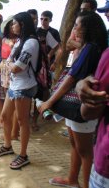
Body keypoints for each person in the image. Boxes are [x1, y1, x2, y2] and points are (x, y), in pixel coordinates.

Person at [38, 11, 108, 188]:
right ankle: (72, 179)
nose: (74, 28)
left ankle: (84, 184)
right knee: (75, 144)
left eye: (78, 25)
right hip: (75, 104)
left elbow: (71, 78)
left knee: (84, 151)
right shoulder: (88, 46)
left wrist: (50, 102)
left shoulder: (91, 47)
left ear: (88, 28)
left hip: (82, 105)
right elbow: (70, 47)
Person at [0, 12, 39, 170]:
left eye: (14, 23)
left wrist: (11, 64)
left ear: (23, 24)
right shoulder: (20, 41)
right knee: (5, 116)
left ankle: (23, 155)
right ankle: (7, 146)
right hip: (14, 86)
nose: (12, 26)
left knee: (22, 121)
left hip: (24, 87)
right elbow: (10, 61)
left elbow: (17, 67)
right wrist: (11, 63)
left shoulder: (31, 43)